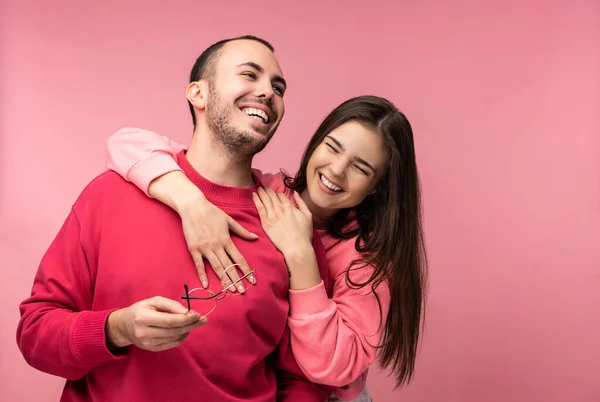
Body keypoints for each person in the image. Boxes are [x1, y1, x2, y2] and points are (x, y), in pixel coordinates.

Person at [16, 35, 334, 402]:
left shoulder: (290, 224)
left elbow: (305, 375)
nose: (268, 93)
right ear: (198, 94)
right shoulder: (109, 195)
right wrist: (117, 328)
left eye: (278, 87)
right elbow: (34, 333)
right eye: (250, 75)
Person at [105, 95, 428, 401]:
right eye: (332, 147)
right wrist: (191, 203)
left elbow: (332, 367)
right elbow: (127, 143)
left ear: (377, 186)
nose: (336, 170)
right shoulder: (265, 193)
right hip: (255, 382)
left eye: (361, 168)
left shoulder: (366, 259)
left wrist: (301, 256)